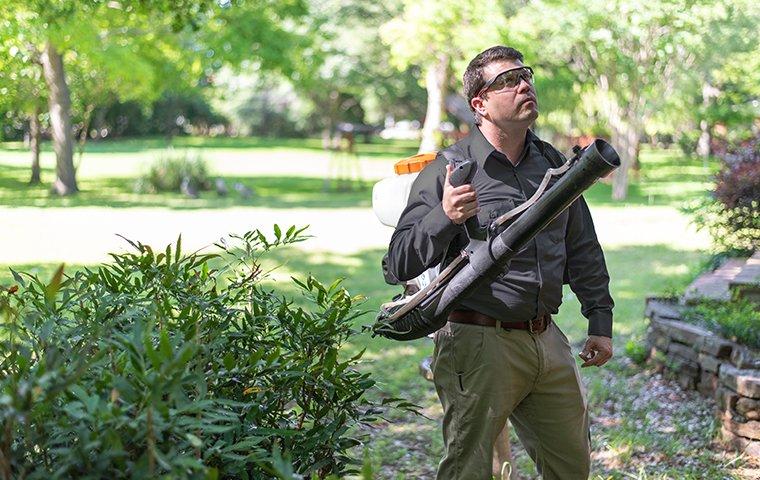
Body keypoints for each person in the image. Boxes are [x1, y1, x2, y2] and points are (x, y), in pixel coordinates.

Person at [384, 46, 615, 479]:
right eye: (506, 81)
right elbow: (397, 263)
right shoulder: (448, 170)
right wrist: (445, 217)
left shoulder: (553, 165)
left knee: (572, 467)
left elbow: (583, 248)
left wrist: (599, 322)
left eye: (524, 75)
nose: (523, 85)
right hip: (476, 342)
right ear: (480, 105)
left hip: (547, 338)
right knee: (470, 470)